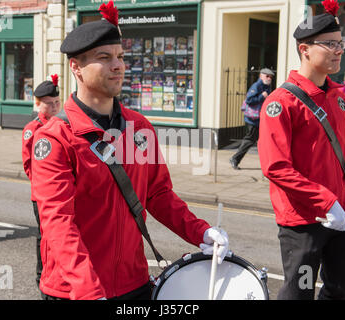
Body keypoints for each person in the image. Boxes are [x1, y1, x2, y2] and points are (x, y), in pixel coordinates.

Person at [31, 0, 229, 300]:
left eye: (121, 56)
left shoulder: (139, 127)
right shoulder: (55, 137)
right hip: (74, 290)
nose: (118, 65)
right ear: (76, 68)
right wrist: (88, 290)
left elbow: (158, 194)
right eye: (104, 57)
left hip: (132, 284)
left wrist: (200, 231)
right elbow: (58, 223)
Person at [258, 0, 345, 300]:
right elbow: (276, 167)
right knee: (298, 294)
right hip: (302, 221)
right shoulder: (281, 103)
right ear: (305, 49)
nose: (340, 50)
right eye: (330, 44)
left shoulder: (339, 97)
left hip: (339, 215)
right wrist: (325, 201)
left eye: (341, 43)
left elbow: (344, 153)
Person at [21, 75, 61, 287]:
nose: (54, 107)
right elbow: (29, 165)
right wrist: (45, 187)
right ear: (38, 104)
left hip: (63, 192)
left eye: (56, 103)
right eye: (49, 104)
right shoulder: (33, 128)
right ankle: (42, 275)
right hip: (43, 194)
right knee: (45, 236)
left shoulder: (62, 125)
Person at [229, 68, 273, 170]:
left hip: (260, 118)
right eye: (267, 76)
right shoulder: (257, 86)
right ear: (261, 76)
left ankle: (268, 164)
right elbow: (249, 100)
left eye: (270, 76)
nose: (269, 78)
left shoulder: (267, 86)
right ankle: (235, 159)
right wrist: (262, 96)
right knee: (249, 140)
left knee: (262, 140)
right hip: (253, 119)